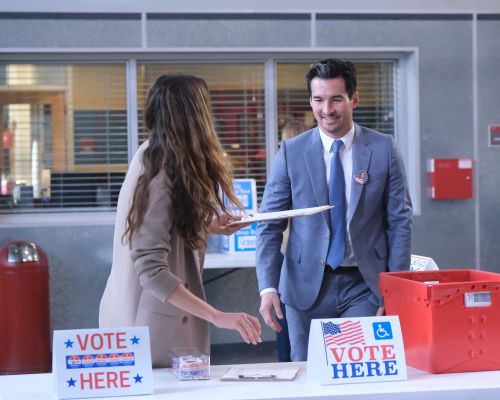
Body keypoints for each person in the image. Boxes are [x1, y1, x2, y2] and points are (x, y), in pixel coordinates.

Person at [99, 74, 261, 368]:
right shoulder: (161, 171)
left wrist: (207, 223)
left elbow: (162, 224)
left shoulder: (159, 156)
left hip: (156, 323)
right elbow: (151, 269)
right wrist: (217, 316)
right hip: (153, 328)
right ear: (196, 115)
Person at [256, 59, 412, 361]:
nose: (327, 109)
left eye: (336, 99)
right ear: (310, 101)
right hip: (304, 287)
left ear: (354, 98)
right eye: (318, 100)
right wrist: (267, 288)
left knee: (358, 371)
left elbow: (400, 222)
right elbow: (269, 224)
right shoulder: (291, 152)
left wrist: (395, 290)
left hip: (364, 285)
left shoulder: (383, 149)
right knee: (309, 373)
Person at [275, 119, 306, 362]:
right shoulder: (307, 165)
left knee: (283, 317)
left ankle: (285, 364)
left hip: (285, 252)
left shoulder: (285, 165)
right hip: (297, 253)